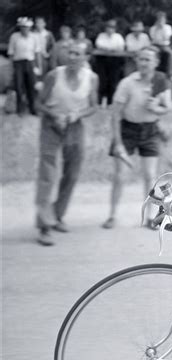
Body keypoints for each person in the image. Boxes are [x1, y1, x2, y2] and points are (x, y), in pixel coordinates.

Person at [35, 42, 99, 246]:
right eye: (69, 53)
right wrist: (55, 116)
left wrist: (75, 115)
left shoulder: (91, 78)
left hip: (74, 125)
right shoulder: (54, 75)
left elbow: (93, 107)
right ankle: (44, 226)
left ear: (86, 57)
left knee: (72, 173)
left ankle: (57, 215)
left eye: (77, 54)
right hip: (51, 125)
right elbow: (38, 103)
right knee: (48, 174)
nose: (72, 57)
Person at [102, 46, 172, 229]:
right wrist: (117, 142)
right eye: (141, 59)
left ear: (156, 62)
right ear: (136, 61)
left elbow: (166, 108)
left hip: (150, 130)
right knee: (120, 175)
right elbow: (115, 114)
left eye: (148, 59)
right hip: (127, 130)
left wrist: (155, 108)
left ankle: (149, 217)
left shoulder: (161, 80)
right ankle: (112, 215)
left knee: (150, 176)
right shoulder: (127, 83)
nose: (143, 63)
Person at [7, 17, 41, 115]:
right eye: (22, 27)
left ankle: (33, 108)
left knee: (32, 86)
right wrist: (11, 67)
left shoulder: (34, 37)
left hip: (30, 62)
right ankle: (20, 109)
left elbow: (37, 53)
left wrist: (38, 66)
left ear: (30, 28)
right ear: (20, 28)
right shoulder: (14, 37)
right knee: (19, 86)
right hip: (18, 63)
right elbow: (11, 53)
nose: (24, 29)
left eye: (26, 27)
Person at [95, 19, 126, 106]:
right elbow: (99, 44)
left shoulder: (118, 37)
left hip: (115, 61)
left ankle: (110, 103)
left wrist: (108, 48)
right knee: (102, 81)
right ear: (105, 28)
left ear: (115, 29)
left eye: (112, 27)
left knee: (113, 82)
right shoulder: (101, 35)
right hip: (102, 60)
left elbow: (121, 47)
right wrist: (110, 48)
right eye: (108, 27)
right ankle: (99, 102)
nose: (110, 29)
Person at [149, 11, 172, 81]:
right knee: (151, 54)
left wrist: (162, 28)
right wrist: (157, 29)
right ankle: (150, 73)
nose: (160, 21)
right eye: (159, 19)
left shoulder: (168, 28)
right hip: (155, 45)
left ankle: (170, 74)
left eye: (162, 19)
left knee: (171, 54)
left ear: (165, 20)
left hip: (165, 46)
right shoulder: (152, 28)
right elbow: (153, 38)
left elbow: (166, 38)